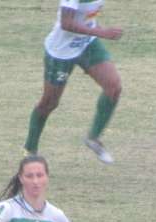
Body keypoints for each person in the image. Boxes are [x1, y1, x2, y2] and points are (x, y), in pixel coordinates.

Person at [24, 0, 123, 164]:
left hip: (87, 44)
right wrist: (102, 32)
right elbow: (66, 23)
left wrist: (95, 30)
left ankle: (93, 138)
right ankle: (30, 150)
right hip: (61, 52)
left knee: (113, 87)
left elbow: (88, 15)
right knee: (49, 103)